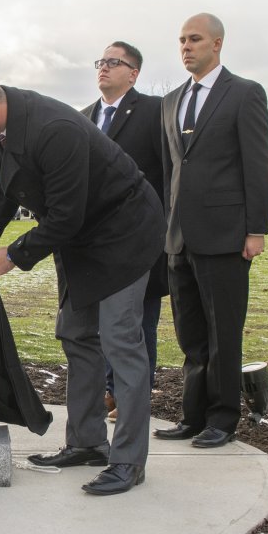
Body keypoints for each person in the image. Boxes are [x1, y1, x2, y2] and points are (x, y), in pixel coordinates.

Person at [0, 68, 165, 495]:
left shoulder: (54, 129)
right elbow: (6, 193)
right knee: (77, 336)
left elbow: (66, 215)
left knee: (120, 342)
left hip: (124, 234)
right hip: (81, 239)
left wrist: (13, 255)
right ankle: (87, 442)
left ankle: (129, 461)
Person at [153, 13, 268, 448]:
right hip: (179, 238)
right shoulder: (170, 101)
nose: (186, 46)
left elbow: (258, 165)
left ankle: (223, 418)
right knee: (190, 334)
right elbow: (170, 172)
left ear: (217, 44)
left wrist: (256, 229)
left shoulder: (243, 94)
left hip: (226, 235)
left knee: (224, 332)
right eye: (182, 40)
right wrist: (166, 227)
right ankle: (193, 416)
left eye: (195, 39)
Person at [80, 42, 168, 421]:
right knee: (105, 324)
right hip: (95, 245)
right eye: (101, 62)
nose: (104, 68)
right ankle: (111, 391)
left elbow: (167, 173)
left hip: (139, 239)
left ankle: (135, 396)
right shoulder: (83, 118)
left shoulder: (153, 112)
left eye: (114, 62)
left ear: (133, 73)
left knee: (138, 322)